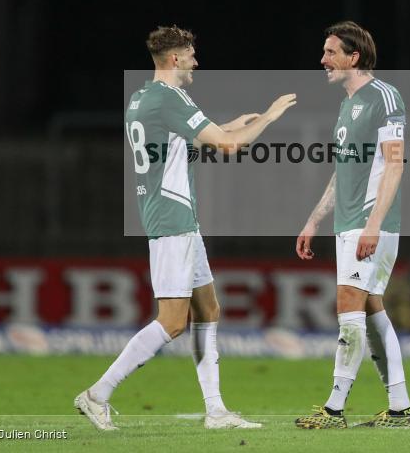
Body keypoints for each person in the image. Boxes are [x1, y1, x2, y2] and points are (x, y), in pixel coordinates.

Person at [75, 25, 296, 430]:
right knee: (173, 321)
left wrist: (228, 124)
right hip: (172, 218)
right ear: (174, 58)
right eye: (192, 53)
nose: (196, 60)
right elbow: (228, 147)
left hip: (175, 218)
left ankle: (215, 411)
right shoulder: (170, 97)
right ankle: (97, 393)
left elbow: (184, 142)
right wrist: (269, 116)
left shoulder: (143, 97)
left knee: (208, 308)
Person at [294, 21, 410, 429]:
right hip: (348, 223)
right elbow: (341, 171)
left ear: (353, 56)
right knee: (373, 310)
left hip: (369, 223)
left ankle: (333, 410)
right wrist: (313, 220)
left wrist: (373, 225)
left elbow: (395, 162)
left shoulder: (384, 95)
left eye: (330, 52)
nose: (323, 60)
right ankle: (400, 409)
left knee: (348, 310)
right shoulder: (348, 105)